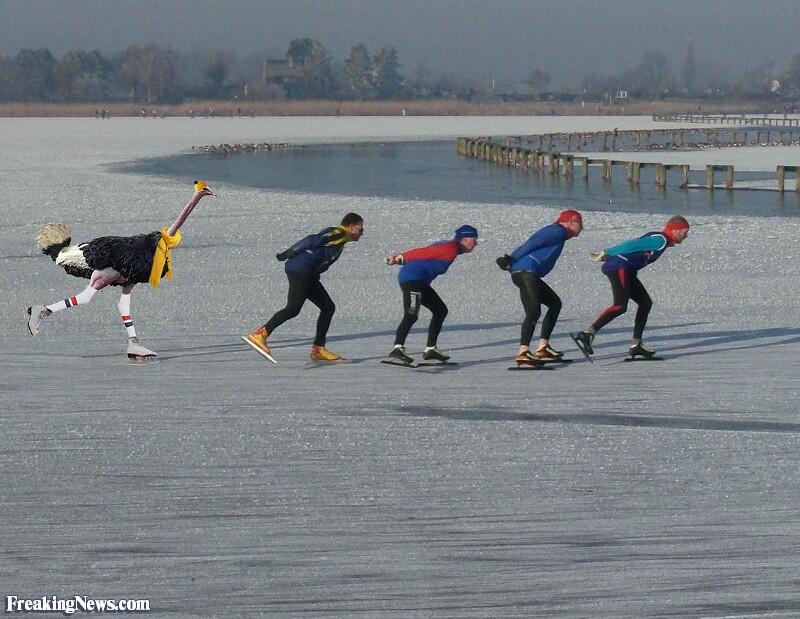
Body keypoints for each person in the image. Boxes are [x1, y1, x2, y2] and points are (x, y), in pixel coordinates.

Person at [243, 213, 364, 362]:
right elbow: (311, 240)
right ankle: (260, 333)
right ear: (351, 227)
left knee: (328, 307)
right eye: (360, 228)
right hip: (300, 269)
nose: (362, 232)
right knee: (293, 308)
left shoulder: (341, 239)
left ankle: (318, 348)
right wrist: (289, 252)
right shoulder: (338, 232)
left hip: (308, 274)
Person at [572, 215, 690, 359]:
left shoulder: (660, 238)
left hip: (626, 270)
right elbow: (631, 245)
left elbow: (639, 244)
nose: (686, 236)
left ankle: (636, 345)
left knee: (645, 303)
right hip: (620, 267)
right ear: (676, 230)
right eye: (685, 232)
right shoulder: (661, 239)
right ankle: (587, 334)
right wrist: (607, 253)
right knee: (620, 306)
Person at [496, 210, 583, 366]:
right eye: (580, 223)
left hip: (527, 273)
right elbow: (533, 242)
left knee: (555, 304)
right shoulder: (557, 230)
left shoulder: (559, 234)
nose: (582, 227)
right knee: (534, 312)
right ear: (570, 221)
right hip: (525, 273)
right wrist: (511, 258)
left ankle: (543, 347)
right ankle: (523, 352)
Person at [385, 225, 478, 364]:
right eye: (474, 239)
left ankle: (431, 349)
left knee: (440, 310)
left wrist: (402, 258)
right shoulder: (450, 247)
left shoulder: (451, 247)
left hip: (420, 281)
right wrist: (401, 257)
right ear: (464, 239)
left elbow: (427, 255)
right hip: (412, 279)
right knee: (411, 314)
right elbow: (424, 252)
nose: (476, 243)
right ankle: (397, 348)